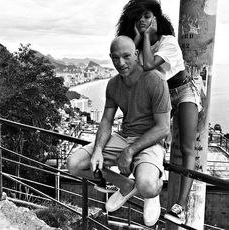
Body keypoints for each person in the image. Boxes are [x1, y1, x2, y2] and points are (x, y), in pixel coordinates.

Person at [67, 35, 171, 227]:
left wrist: (129, 152)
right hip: (123, 136)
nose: (121, 63)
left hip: (150, 141)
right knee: (74, 164)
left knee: (147, 186)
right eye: (115, 58)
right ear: (111, 57)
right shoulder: (113, 84)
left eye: (126, 56)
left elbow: (163, 127)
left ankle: (152, 192)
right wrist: (98, 151)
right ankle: (124, 185)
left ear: (136, 54)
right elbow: (106, 120)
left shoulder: (155, 80)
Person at [116, 0, 202, 225]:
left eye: (147, 16)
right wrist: (137, 39)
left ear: (157, 18)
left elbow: (148, 65)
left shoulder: (169, 42)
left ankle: (180, 206)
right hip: (161, 96)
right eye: (138, 18)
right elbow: (132, 71)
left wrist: (144, 38)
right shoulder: (138, 43)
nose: (142, 21)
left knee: (186, 148)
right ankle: (148, 188)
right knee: (147, 137)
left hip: (182, 93)